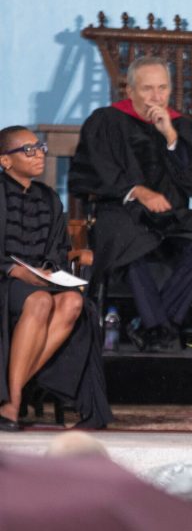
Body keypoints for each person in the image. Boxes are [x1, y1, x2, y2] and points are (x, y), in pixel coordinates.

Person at [69, 56, 192, 351]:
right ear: (129, 91)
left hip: (172, 215)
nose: (157, 97)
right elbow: (91, 173)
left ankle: (151, 326)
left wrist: (170, 137)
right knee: (130, 241)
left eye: (163, 88)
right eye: (148, 89)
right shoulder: (106, 121)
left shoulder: (180, 126)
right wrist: (137, 191)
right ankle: (162, 330)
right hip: (121, 211)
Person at [0, 126, 112, 431]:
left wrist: (51, 271)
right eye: (28, 150)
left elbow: (57, 250)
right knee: (37, 302)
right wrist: (13, 270)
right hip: (5, 280)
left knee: (74, 302)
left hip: (37, 280)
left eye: (39, 148)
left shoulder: (48, 198)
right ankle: (13, 403)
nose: (38, 155)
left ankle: (11, 391)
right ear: (5, 161)